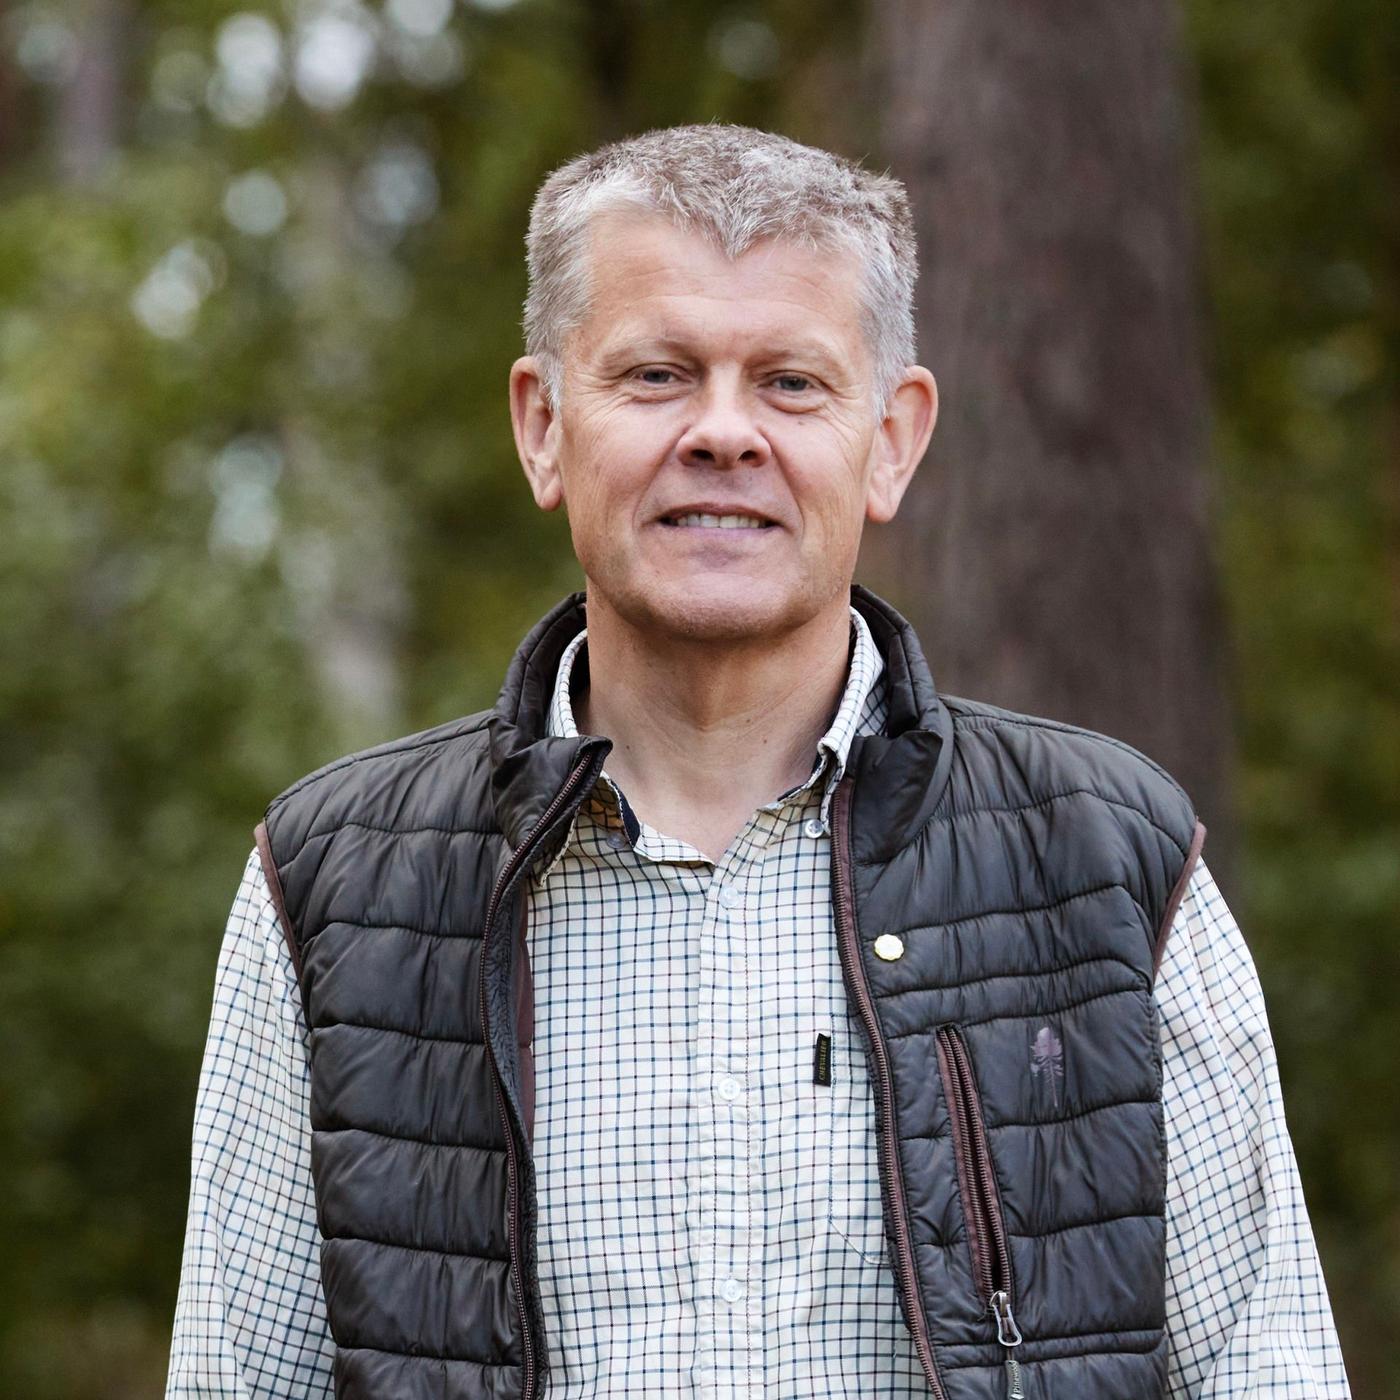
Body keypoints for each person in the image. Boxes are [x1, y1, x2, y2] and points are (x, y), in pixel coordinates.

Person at [165, 124, 1351, 1400]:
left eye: (790, 382)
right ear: (542, 424)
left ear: (890, 438)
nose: (724, 433)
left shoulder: (1111, 859)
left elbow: (1264, 1370)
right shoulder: (332, 884)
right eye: (657, 374)